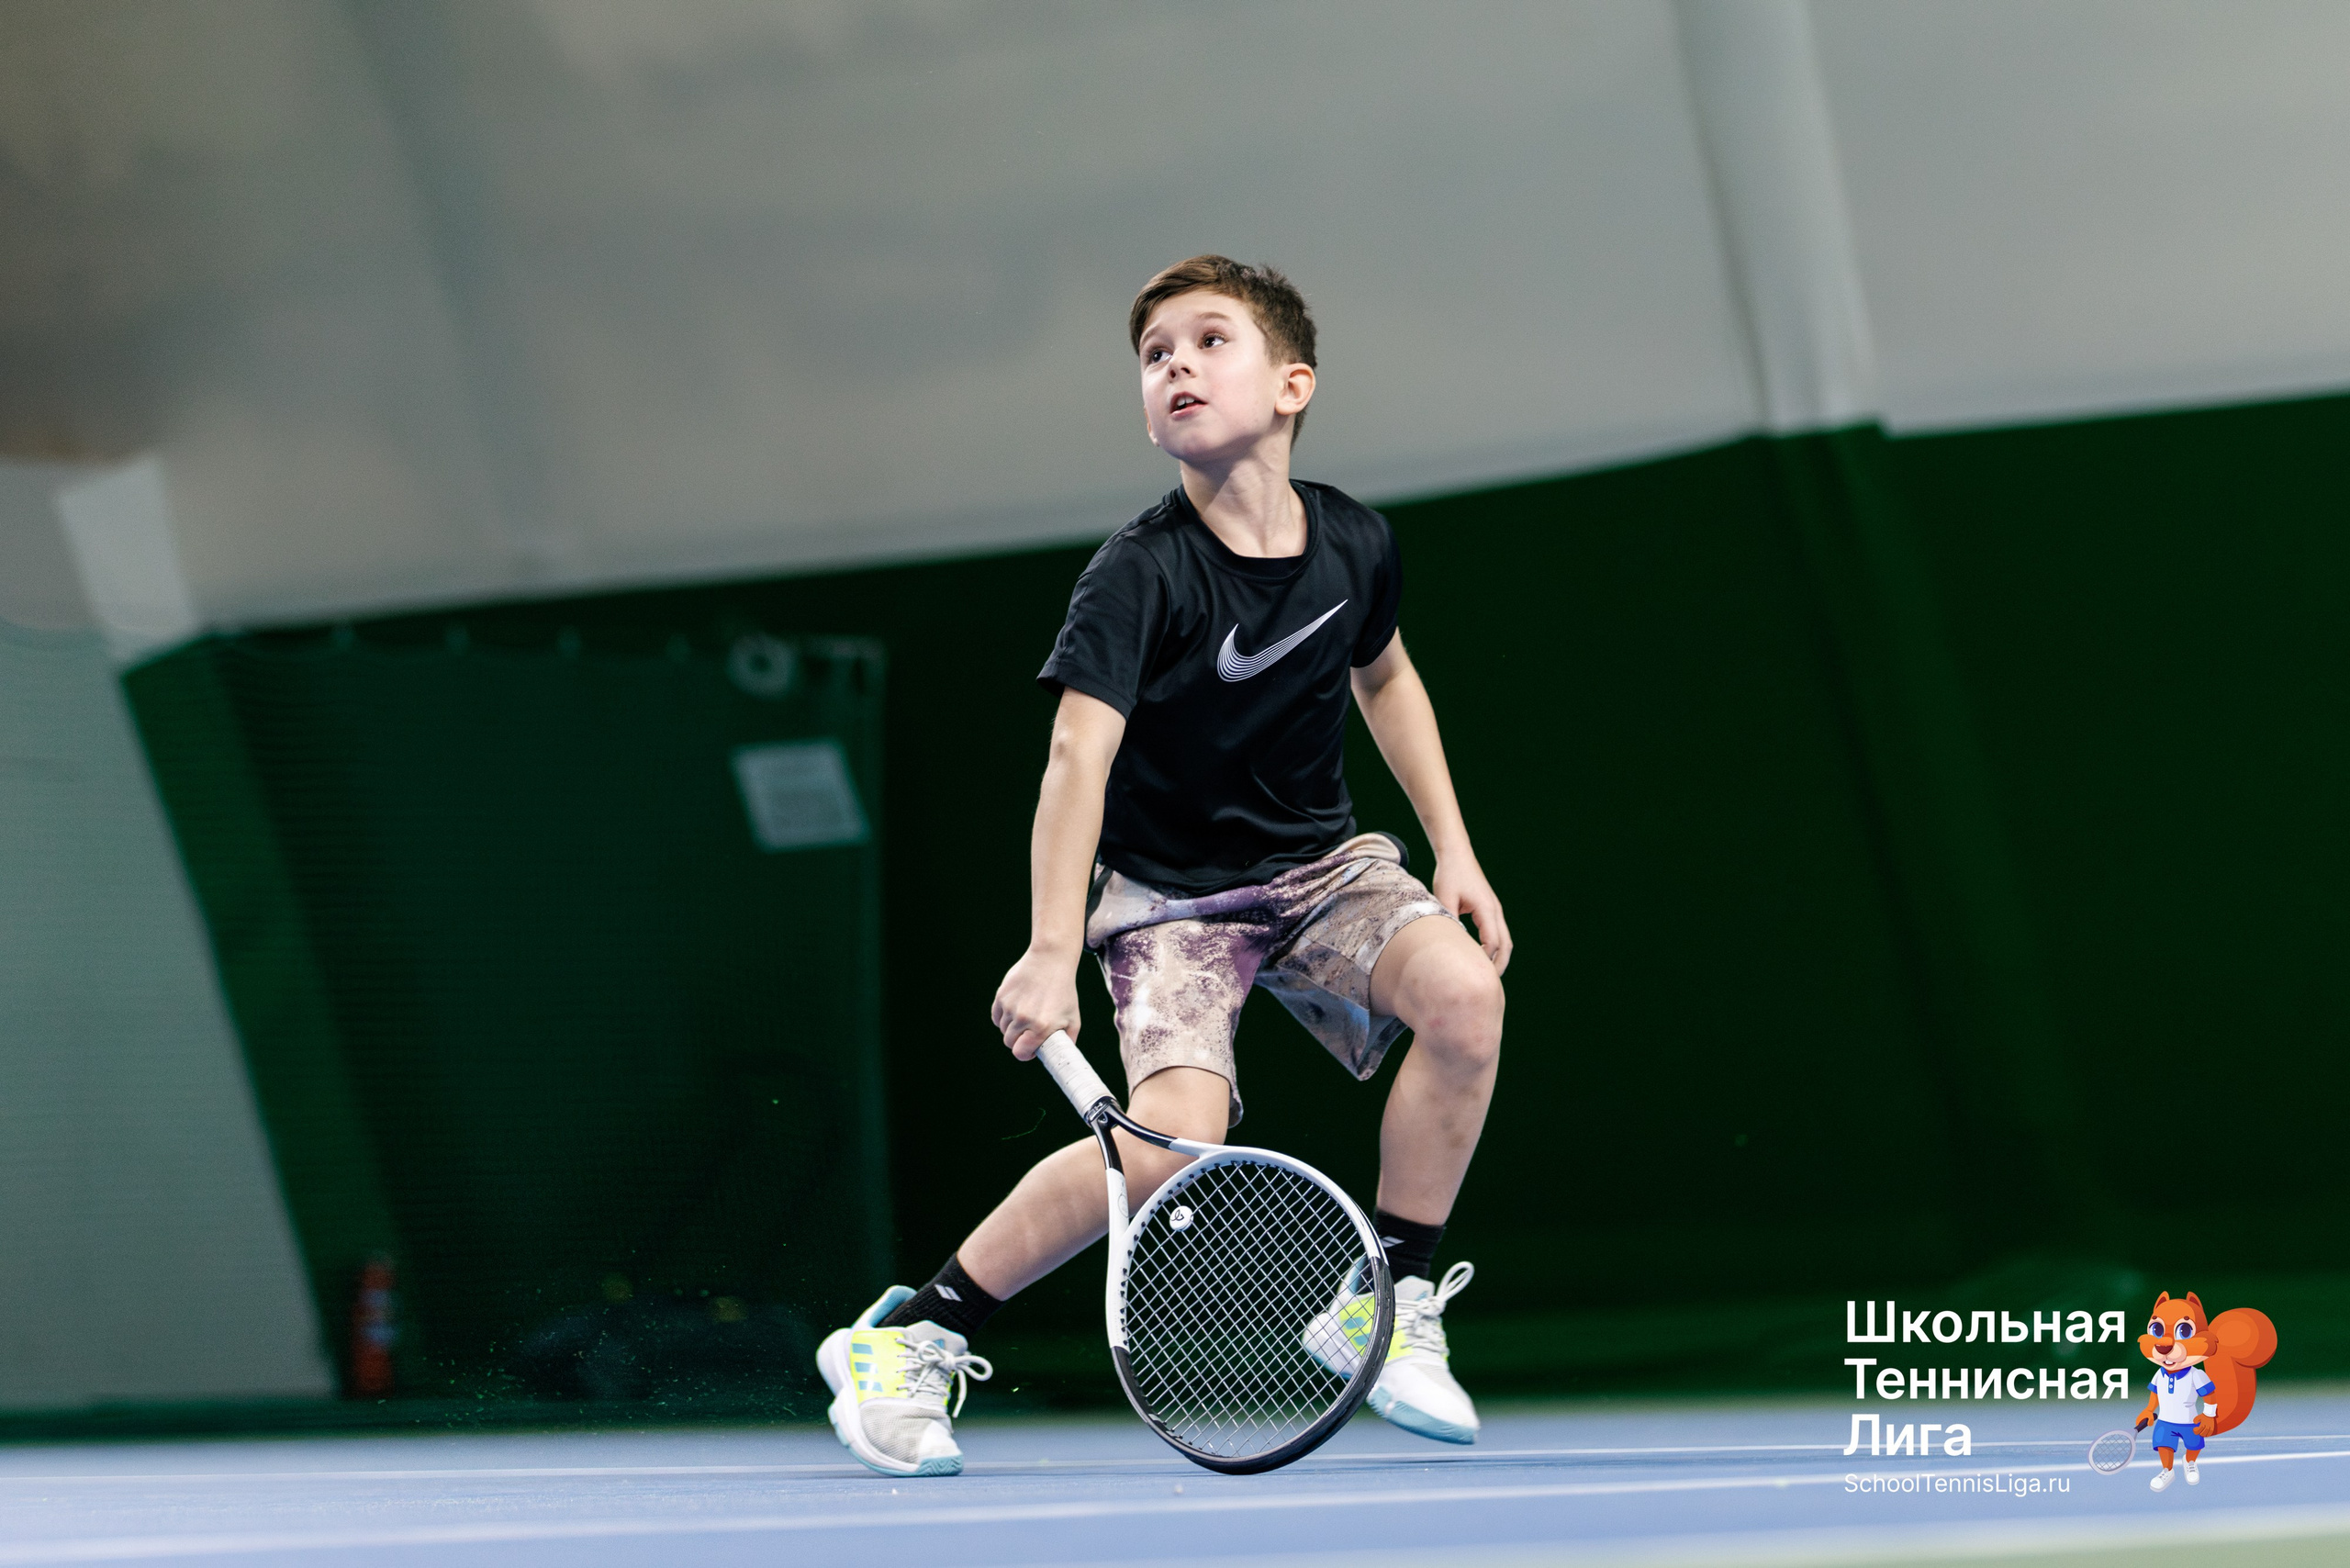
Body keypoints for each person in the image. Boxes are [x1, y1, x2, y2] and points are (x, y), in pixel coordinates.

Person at [816, 255, 1510, 1477]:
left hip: (1319, 872)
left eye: (1208, 341)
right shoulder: (1139, 573)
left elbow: (1385, 673)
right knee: (1159, 1147)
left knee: (1465, 996)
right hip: (1171, 902)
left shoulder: (1352, 540)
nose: (1176, 365)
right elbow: (1074, 762)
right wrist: (1047, 953)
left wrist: (1452, 848)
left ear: (1293, 384)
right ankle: (911, 1334)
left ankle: (1386, 1300)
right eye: (1154, 355)